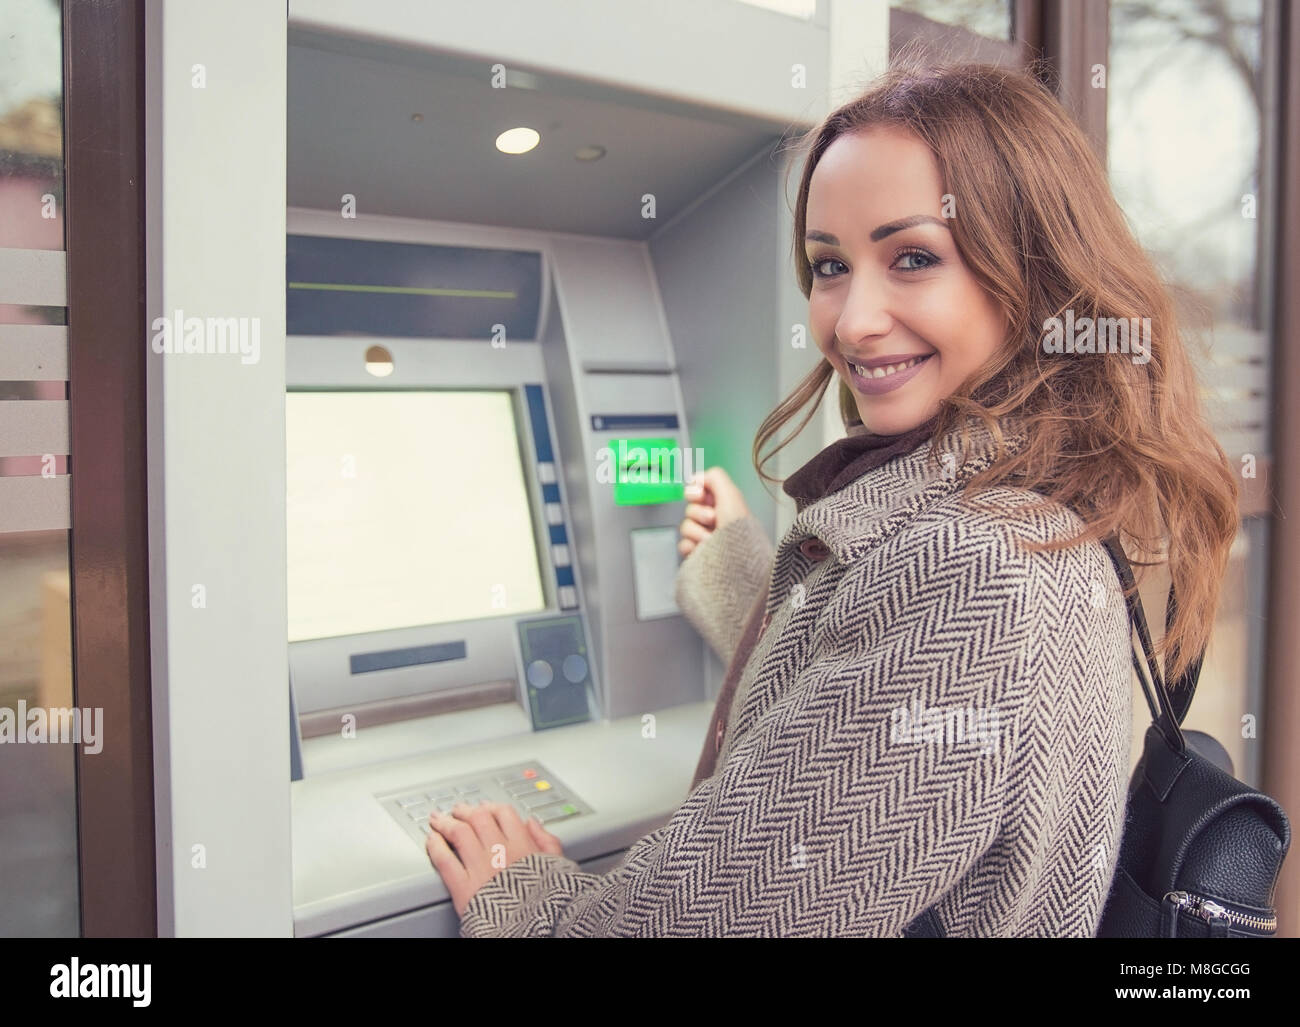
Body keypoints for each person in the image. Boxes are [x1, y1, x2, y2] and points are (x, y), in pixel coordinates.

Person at [425, 57, 1240, 937]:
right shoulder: (1031, 511)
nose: (851, 321)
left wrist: (530, 904)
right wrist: (744, 577)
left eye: (914, 257)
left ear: (1033, 274)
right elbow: (876, 719)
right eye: (828, 265)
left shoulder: (983, 569)